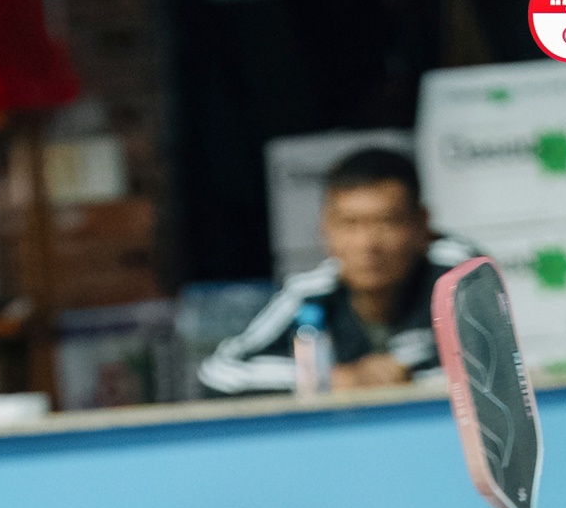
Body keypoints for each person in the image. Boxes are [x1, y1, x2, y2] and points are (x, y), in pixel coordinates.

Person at [200, 148, 472, 396]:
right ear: (325, 228)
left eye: (386, 223)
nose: (367, 245)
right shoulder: (311, 293)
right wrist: (330, 378)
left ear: (422, 224)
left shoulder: (462, 278)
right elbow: (219, 371)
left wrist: (408, 378)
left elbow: (490, 369)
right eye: (350, 224)